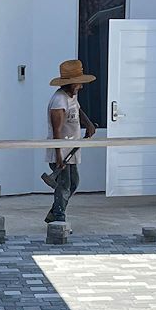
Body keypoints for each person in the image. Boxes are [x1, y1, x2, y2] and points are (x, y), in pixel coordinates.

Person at [43, 60, 97, 224]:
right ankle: (58, 218)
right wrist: (58, 155)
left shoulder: (71, 96)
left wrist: (87, 124)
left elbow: (78, 110)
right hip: (61, 152)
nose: (81, 86)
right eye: (79, 83)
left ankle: (54, 212)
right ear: (71, 83)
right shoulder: (59, 101)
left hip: (71, 150)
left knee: (74, 183)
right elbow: (56, 130)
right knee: (64, 185)